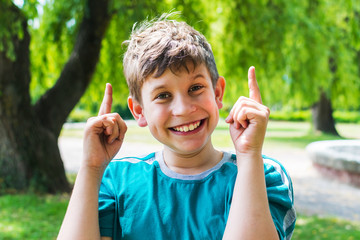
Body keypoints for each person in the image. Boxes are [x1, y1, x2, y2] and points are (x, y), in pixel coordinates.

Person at [58, 13, 296, 240]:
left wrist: (249, 155)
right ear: (139, 111)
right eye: (163, 95)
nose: (182, 109)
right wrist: (90, 168)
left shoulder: (263, 174)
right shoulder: (114, 180)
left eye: (195, 88)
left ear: (217, 92)